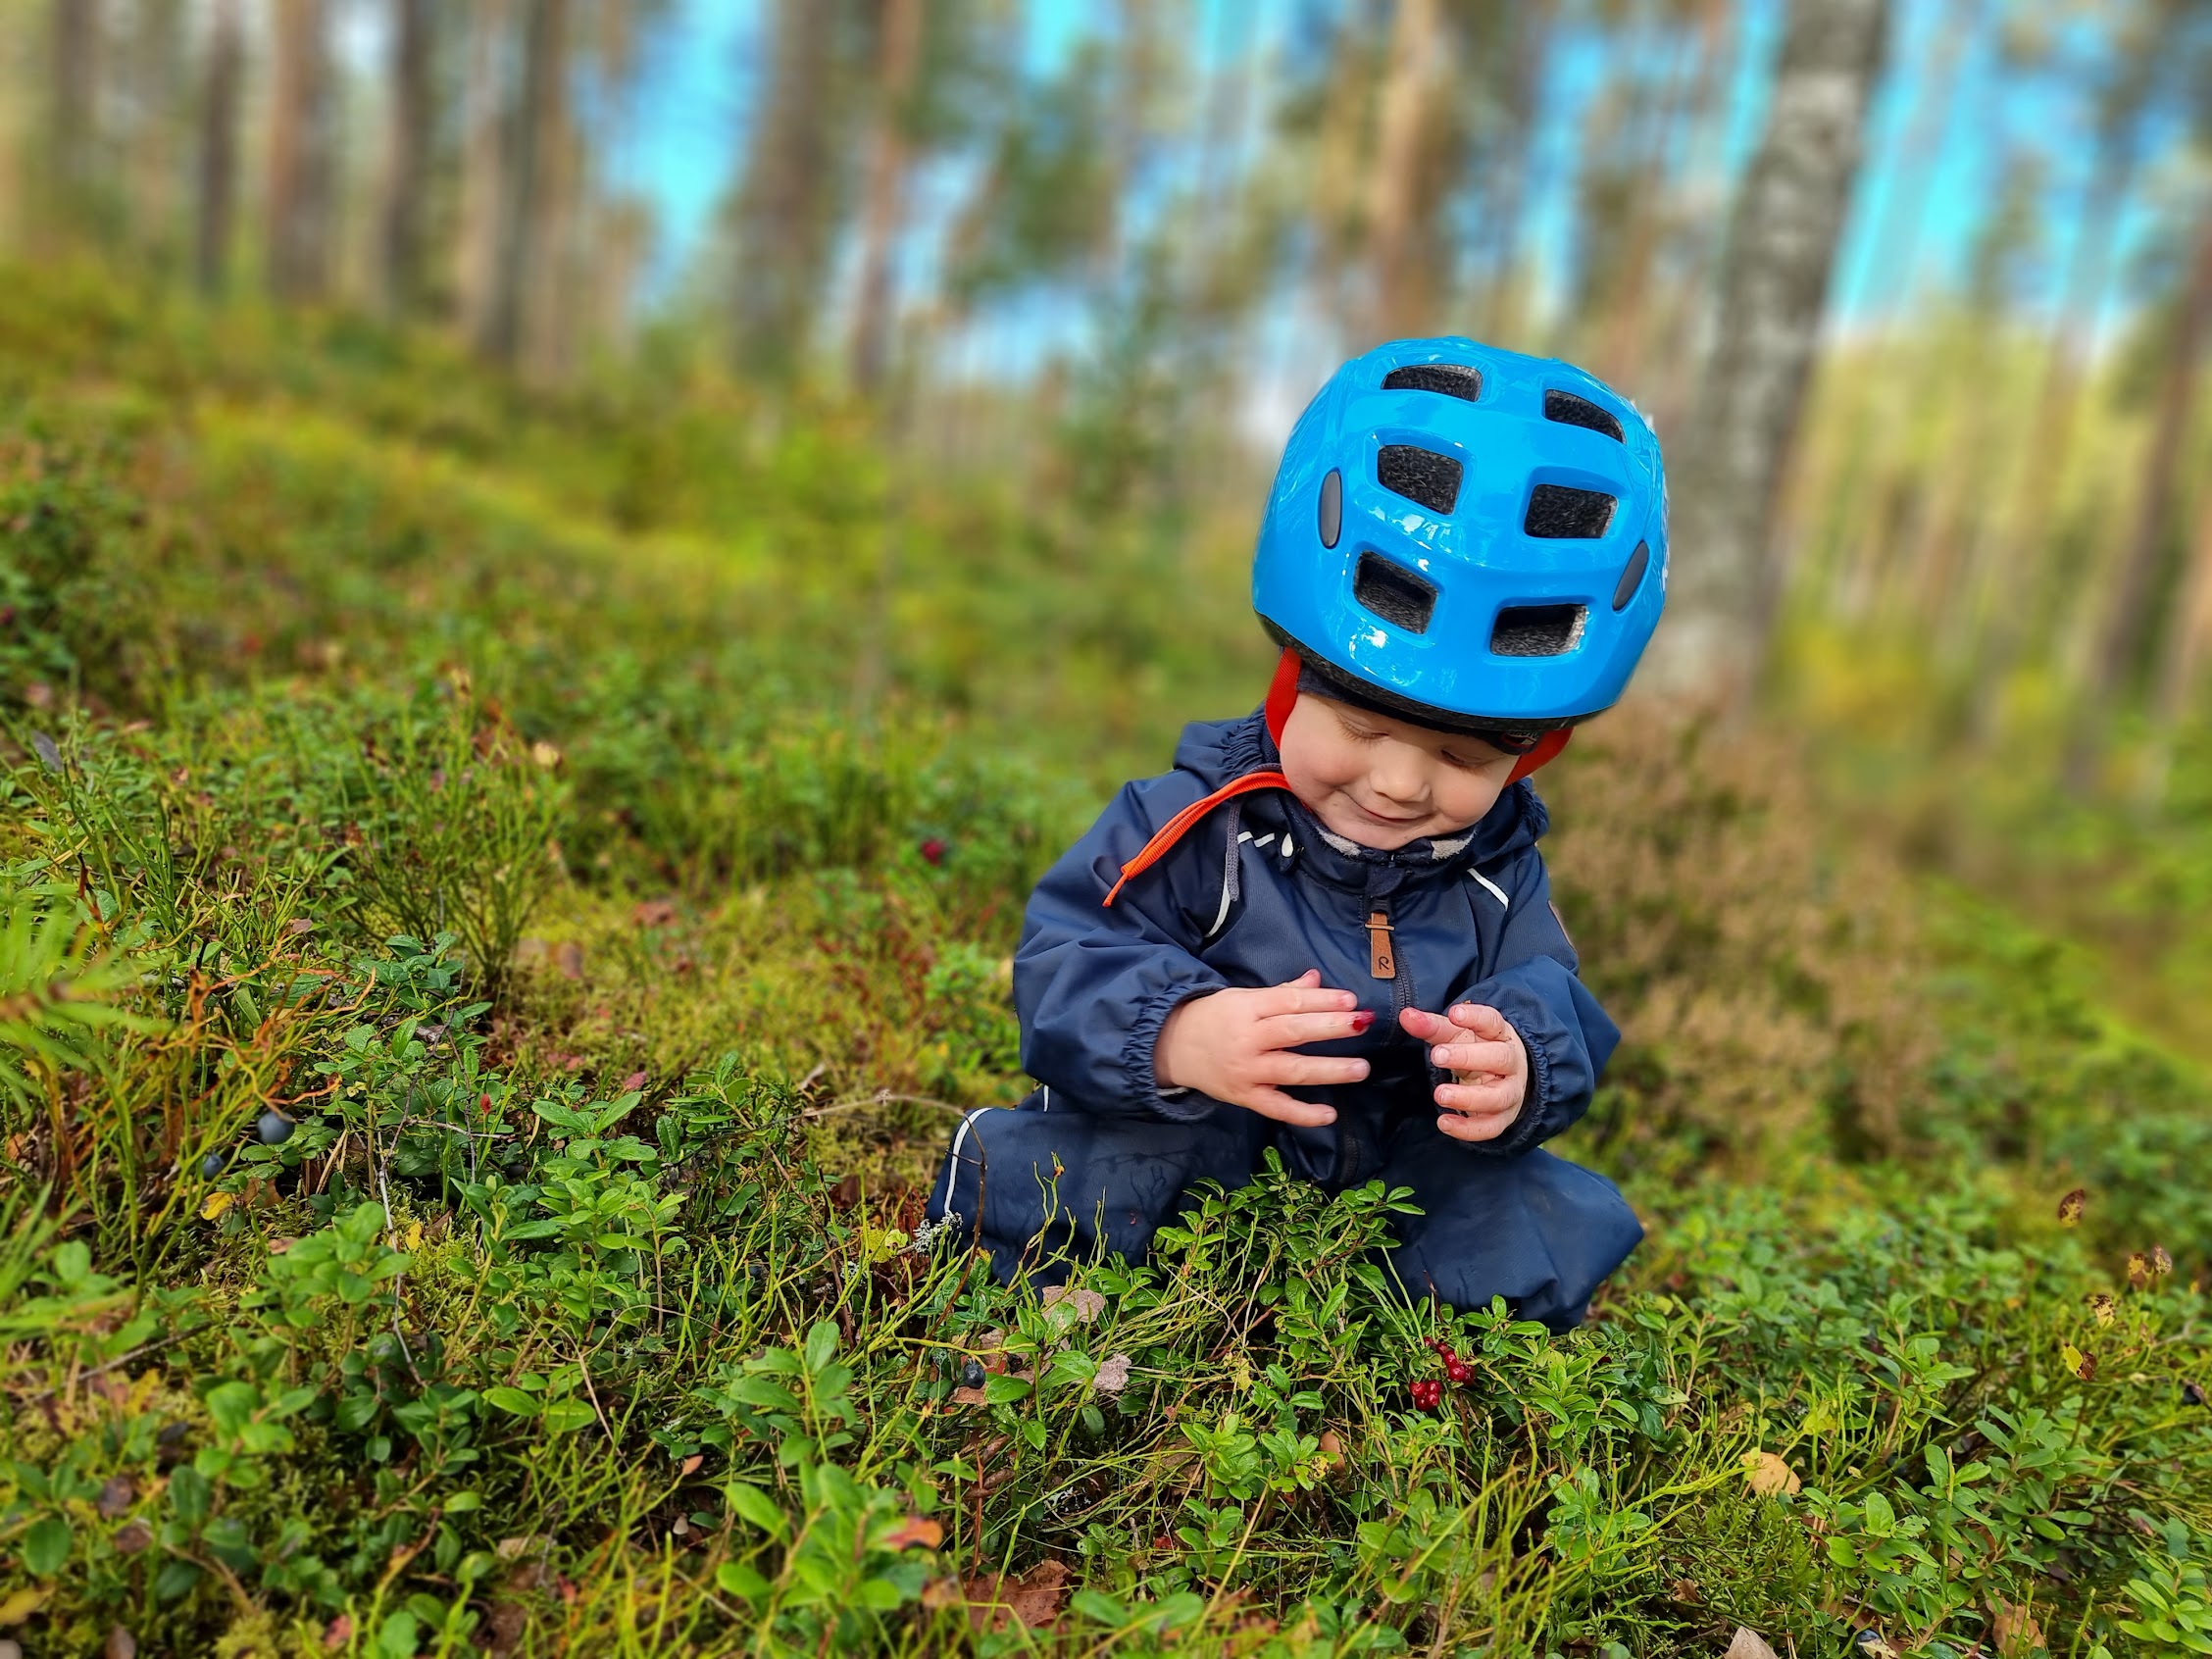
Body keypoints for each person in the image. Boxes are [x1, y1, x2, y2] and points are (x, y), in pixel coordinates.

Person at [925, 338, 1667, 1330]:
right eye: (1363, 729)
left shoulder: (1498, 874)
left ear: (1529, 758)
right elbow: (1063, 961)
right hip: (1197, 1135)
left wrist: (1523, 1064)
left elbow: (1549, 994)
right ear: (1291, 681)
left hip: (1383, 1175)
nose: (1401, 783)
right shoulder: (1193, 822)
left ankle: (1405, 1369)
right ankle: (1049, 1334)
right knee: (1078, 1179)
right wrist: (1178, 1035)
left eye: (1464, 761)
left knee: (1529, 1219)